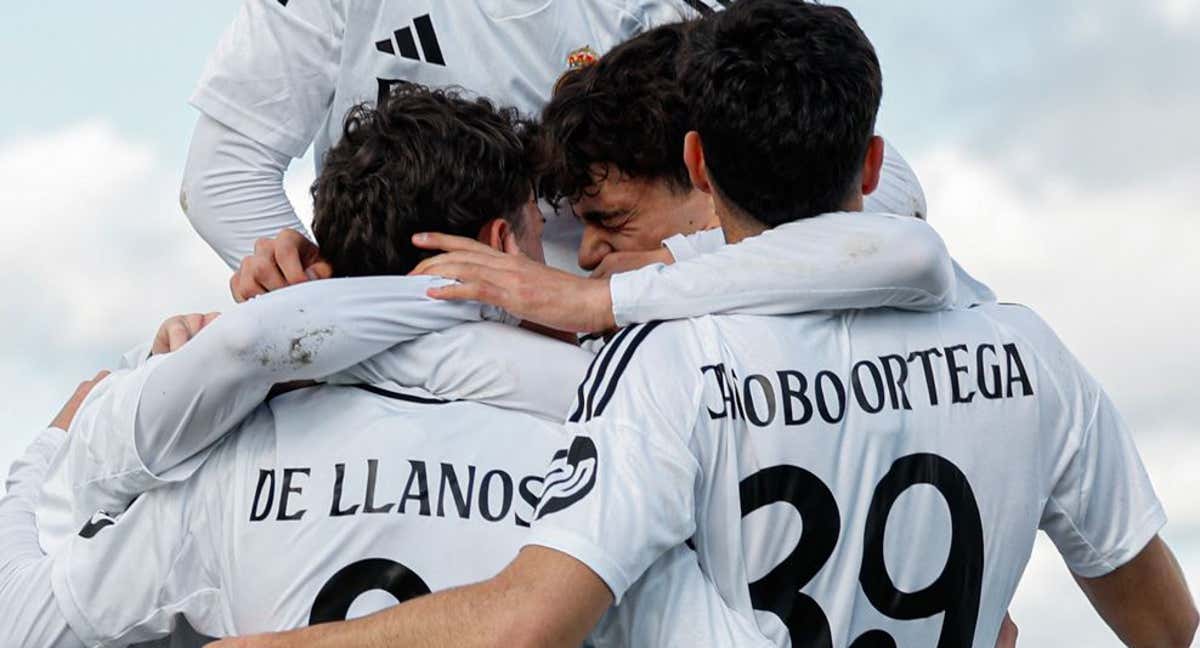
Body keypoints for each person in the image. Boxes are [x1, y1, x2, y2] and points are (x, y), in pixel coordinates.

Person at [225, 3, 1198, 647]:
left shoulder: (668, 364)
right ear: (871, 165)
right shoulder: (1024, 349)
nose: (586, 259)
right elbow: (1164, 627)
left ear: (697, 166)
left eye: (605, 228)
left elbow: (526, 621)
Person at [181, 0, 733, 275]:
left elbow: (778, 198)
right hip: (381, 355)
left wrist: (615, 301)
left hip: (605, 351)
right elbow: (223, 175)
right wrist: (319, 298)